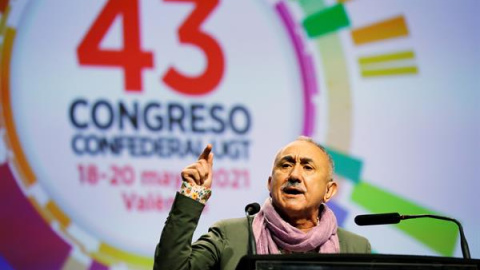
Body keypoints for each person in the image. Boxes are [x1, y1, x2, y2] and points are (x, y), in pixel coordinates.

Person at [154, 136, 371, 270]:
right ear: (270, 183)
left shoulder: (355, 248)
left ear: (328, 190)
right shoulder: (230, 235)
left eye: (307, 167)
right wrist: (192, 195)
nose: (294, 174)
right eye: (286, 165)